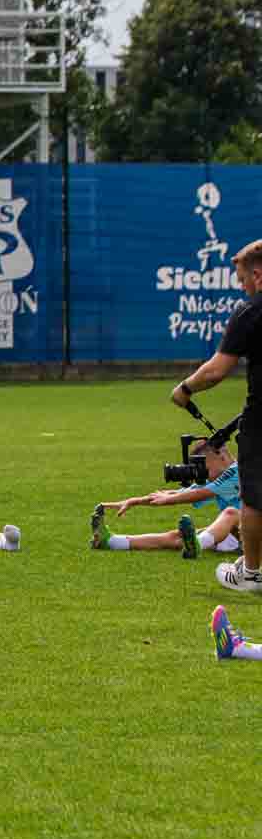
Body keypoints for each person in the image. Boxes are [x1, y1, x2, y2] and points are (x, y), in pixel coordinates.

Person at [173, 237, 262, 592]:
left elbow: (216, 371)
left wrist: (185, 389)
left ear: (257, 275)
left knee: (254, 497)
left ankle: (251, 573)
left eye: (243, 280)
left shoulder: (250, 312)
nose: (242, 288)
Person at [90, 438, 240, 558]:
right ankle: (111, 541)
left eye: (205, 468)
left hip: (249, 534)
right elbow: (180, 493)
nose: (202, 474)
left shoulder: (238, 471)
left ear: (221, 455)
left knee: (231, 513)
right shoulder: (219, 478)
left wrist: (168, 500)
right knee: (175, 536)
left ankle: (197, 546)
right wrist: (134, 501)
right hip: (236, 534)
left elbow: (202, 493)